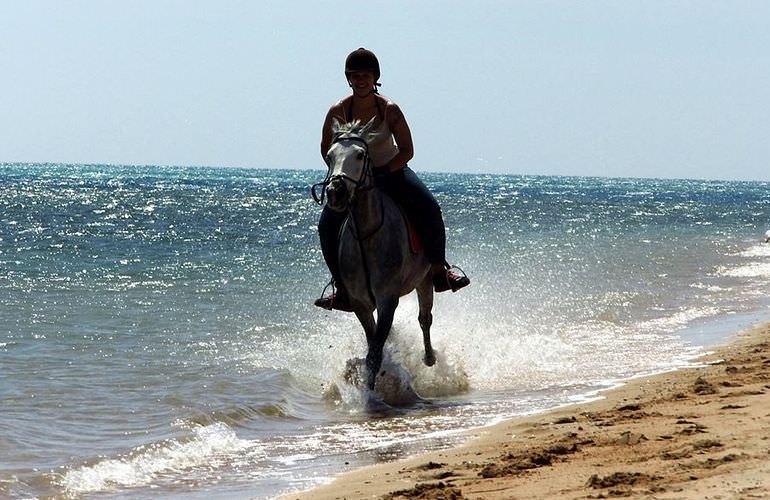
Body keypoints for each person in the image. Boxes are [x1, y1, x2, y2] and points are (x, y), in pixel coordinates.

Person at [315, 48, 469, 311]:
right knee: (326, 224)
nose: (361, 80)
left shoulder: (389, 110)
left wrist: (385, 171)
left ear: (375, 77)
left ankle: (439, 270)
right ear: (348, 79)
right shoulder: (338, 111)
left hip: (391, 173)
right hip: (355, 182)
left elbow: (408, 150)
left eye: (366, 75)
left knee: (429, 207)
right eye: (355, 75)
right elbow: (326, 148)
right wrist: (344, 175)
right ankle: (340, 287)